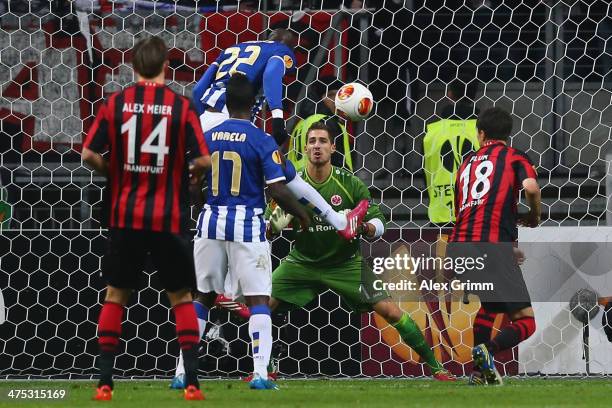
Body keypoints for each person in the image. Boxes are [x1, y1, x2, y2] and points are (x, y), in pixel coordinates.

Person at [266, 121, 456, 382]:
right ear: (305, 148)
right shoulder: (290, 181)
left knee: (391, 311)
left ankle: (437, 367)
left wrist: (363, 226)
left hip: (346, 264)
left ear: (333, 147)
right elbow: (266, 229)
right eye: (312, 142)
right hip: (303, 262)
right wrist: (272, 227)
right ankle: (265, 368)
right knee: (261, 306)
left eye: (322, 141)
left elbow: (380, 224)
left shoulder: (350, 183)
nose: (317, 146)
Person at [81, 36, 209, 401]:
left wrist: (115, 173)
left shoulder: (115, 104)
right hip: (168, 217)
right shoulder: (182, 107)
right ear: (166, 66)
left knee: (115, 295)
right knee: (182, 297)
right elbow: (202, 160)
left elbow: (88, 153)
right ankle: (193, 385)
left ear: (133, 66)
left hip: (125, 216)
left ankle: (105, 382)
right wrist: (190, 180)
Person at [184, 74, 310, 390]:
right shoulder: (261, 139)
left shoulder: (208, 136)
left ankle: (182, 373)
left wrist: (203, 208)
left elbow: (192, 185)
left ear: (225, 103)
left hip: (210, 221)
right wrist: (302, 215)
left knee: (203, 297)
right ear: (255, 105)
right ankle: (260, 375)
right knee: (258, 300)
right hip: (246, 224)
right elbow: (278, 190)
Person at [192, 28, 367, 241]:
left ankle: (338, 221)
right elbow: (272, 73)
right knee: (281, 172)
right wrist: (277, 119)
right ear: (287, 42)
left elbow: (198, 90)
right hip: (234, 120)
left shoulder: (231, 49)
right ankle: (335, 221)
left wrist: (202, 122)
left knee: (203, 177)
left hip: (205, 119)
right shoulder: (280, 51)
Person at [448, 107, 541, 385]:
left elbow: (461, 210)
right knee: (526, 322)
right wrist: (533, 217)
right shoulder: (514, 156)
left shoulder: (465, 165)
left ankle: (479, 374)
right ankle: (485, 352)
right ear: (507, 135)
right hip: (493, 247)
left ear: (481, 133)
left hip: (458, 247)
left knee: (489, 307)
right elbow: (532, 189)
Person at [423, 80, 480, 226]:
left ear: (449, 94)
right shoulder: (482, 130)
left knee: (441, 250)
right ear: (474, 96)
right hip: (476, 213)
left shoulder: (432, 131)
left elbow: (426, 169)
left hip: (441, 213)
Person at [289, 77, 353, 170]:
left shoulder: (302, 123)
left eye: (340, 97)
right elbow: (336, 164)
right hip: (321, 182)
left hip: (297, 180)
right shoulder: (327, 123)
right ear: (321, 98)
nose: (337, 101)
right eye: (332, 96)